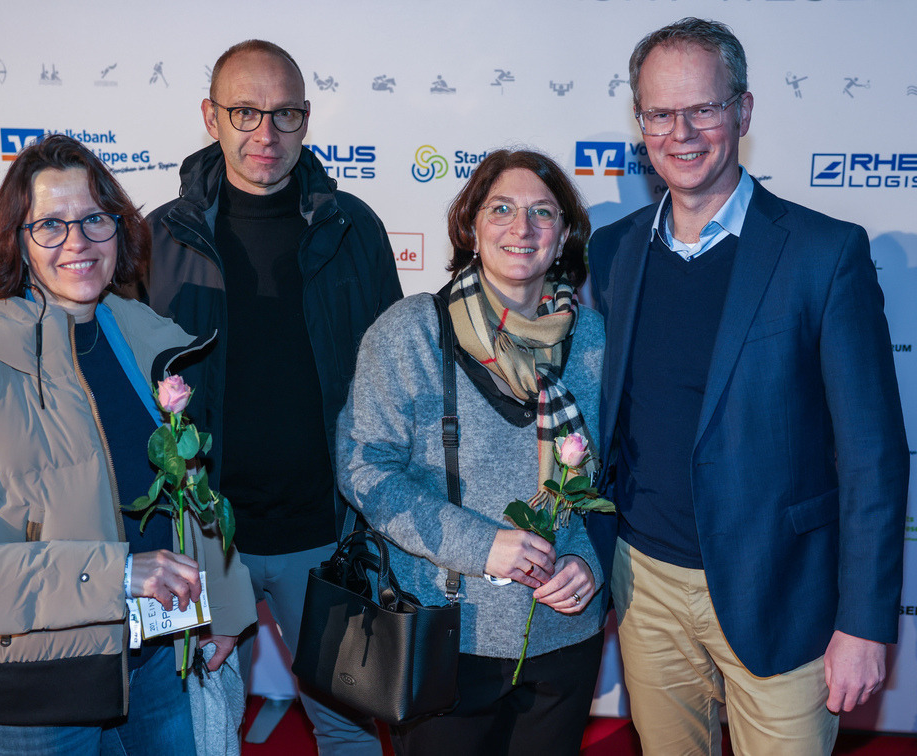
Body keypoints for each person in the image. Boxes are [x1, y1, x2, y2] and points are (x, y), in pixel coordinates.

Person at [587, 17, 909, 755]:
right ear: (640, 124)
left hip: (782, 590)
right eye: (661, 114)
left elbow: (873, 457)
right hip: (645, 586)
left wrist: (863, 622)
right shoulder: (614, 252)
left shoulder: (824, 254)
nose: (683, 132)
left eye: (702, 107)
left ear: (743, 109)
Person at [0, 134, 256, 755]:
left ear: (120, 228)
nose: (78, 243)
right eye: (50, 226)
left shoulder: (145, 342)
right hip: (36, 696)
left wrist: (221, 602)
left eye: (94, 219)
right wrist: (113, 575)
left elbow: (190, 497)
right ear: (17, 239)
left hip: (158, 667)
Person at [137, 39, 402, 754]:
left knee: (348, 722)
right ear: (211, 116)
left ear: (306, 119)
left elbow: (392, 382)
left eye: (285, 114)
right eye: (246, 112)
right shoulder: (156, 238)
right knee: (196, 721)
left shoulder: (354, 229)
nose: (266, 134)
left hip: (326, 530)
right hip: (199, 537)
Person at [337, 149, 607, 755]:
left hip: (563, 636)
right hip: (445, 636)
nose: (522, 227)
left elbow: (618, 476)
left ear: (564, 234)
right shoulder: (409, 332)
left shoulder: (594, 341)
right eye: (501, 209)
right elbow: (363, 469)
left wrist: (587, 560)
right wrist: (482, 545)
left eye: (543, 212)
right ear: (471, 226)